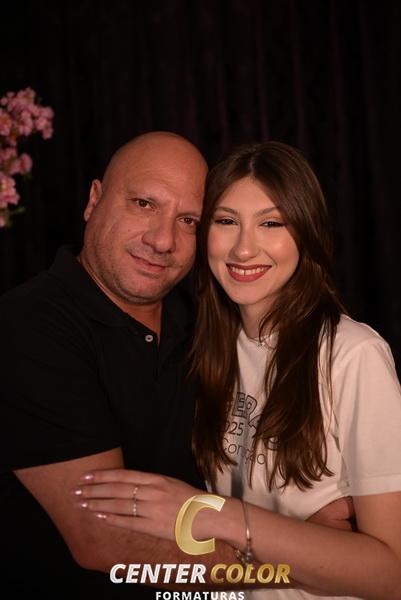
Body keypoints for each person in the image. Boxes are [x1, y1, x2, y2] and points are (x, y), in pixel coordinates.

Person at [76, 141, 401, 599]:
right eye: (226, 221)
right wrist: (299, 537)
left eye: (271, 223)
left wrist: (211, 513)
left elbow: (392, 574)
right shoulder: (207, 348)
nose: (244, 249)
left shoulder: (352, 355)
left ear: (305, 233)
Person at [0, 131, 211, 597]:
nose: (162, 240)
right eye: (143, 204)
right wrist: (298, 565)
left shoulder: (200, 322)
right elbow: (109, 541)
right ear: (93, 200)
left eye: (188, 221)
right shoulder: (26, 325)